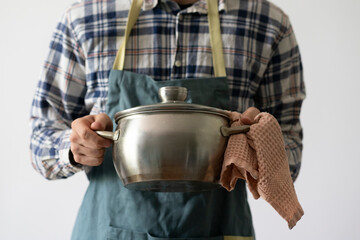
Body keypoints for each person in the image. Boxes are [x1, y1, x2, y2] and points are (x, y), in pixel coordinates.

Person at [30, 0, 305, 239]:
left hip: (221, 229)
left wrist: (261, 141)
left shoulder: (268, 24)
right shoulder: (85, 18)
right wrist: (74, 146)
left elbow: (290, 153)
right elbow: (41, 138)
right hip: (107, 231)